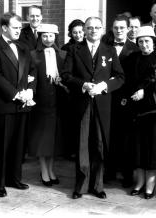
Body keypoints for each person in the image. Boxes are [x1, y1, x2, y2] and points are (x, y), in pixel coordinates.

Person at [61, 16, 125, 199]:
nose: (93, 31)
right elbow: (65, 75)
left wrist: (104, 86)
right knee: (82, 145)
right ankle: (80, 186)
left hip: (102, 104)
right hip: (82, 103)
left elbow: (120, 77)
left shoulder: (110, 50)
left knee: (98, 144)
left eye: (97, 27)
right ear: (85, 30)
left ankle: (97, 186)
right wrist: (83, 85)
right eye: (89, 28)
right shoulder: (74, 49)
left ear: (103, 29)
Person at [0, 12, 36, 197]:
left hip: (24, 103)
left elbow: (32, 71)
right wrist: (15, 94)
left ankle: (14, 178)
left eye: (20, 28)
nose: (18, 31)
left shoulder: (24, 46)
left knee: (18, 144)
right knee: (2, 145)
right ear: (4, 27)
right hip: (5, 104)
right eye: (15, 28)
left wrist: (30, 90)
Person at [123, 26, 156, 199]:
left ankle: (150, 185)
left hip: (155, 112)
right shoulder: (132, 59)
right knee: (138, 148)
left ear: (154, 42)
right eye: (141, 42)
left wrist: (147, 91)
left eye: (147, 41)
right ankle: (139, 182)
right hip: (137, 111)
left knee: (152, 148)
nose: (144, 45)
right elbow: (126, 81)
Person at [28, 24, 67, 187]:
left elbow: (67, 76)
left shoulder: (63, 55)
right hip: (41, 104)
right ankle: (44, 171)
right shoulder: (33, 55)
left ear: (55, 37)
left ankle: (51, 170)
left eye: (51, 36)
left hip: (57, 103)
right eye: (44, 36)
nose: (48, 39)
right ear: (40, 37)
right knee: (42, 140)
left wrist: (62, 82)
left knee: (53, 140)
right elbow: (31, 78)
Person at [106, 14, 139, 187]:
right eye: (116, 28)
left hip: (127, 99)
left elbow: (135, 76)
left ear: (128, 29)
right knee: (109, 135)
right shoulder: (105, 47)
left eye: (122, 28)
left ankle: (127, 174)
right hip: (108, 96)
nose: (119, 31)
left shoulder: (135, 48)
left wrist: (128, 97)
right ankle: (109, 171)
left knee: (127, 138)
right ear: (112, 29)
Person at [61, 19, 85, 159]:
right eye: (74, 32)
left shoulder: (88, 46)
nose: (77, 35)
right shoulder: (66, 48)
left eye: (80, 31)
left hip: (83, 88)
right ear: (70, 33)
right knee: (71, 122)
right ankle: (71, 150)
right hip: (69, 89)